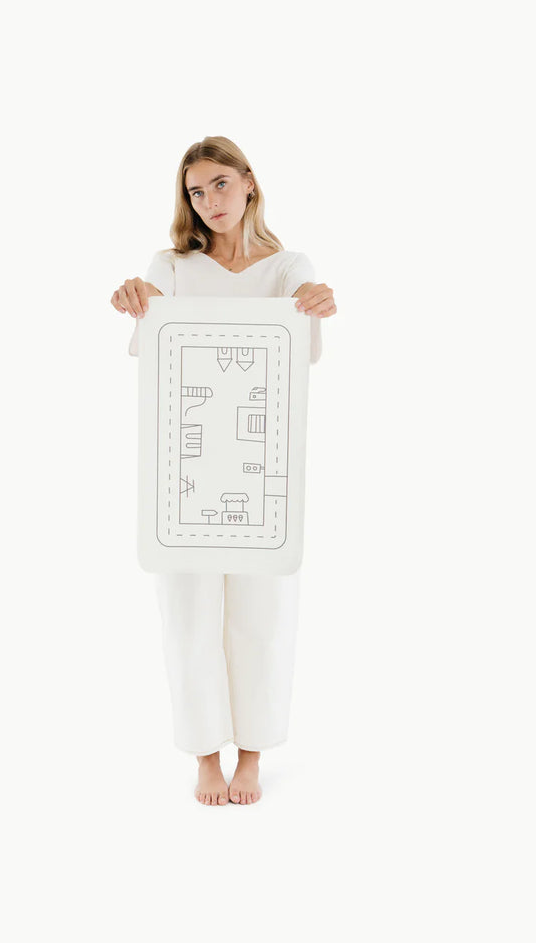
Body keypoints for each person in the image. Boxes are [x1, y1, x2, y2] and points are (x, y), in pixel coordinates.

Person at [111, 136, 337, 806]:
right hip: (184, 468)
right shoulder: (173, 267)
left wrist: (317, 301)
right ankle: (206, 754)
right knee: (189, 616)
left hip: (261, 466)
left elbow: (303, 336)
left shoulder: (287, 267)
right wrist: (137, 296)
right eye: (196, 191)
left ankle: (252, 756)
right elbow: (153, 318)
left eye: (219, 184)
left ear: (248, 182)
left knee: (262, 615)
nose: (209, 200)